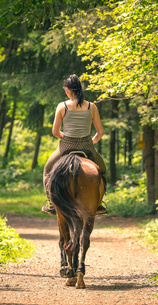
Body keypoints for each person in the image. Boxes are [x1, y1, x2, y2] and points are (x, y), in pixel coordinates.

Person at [42, 74, 108, 215]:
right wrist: (91, 141)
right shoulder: (92, 107)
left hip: (66, 146)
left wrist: (65, 136)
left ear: (68, 91)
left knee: (47, 169)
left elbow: (55, 132)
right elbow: (100, 132)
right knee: (102, 170)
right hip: (87, 146)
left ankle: (50, 202)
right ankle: (99, 202)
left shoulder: (62, 106)